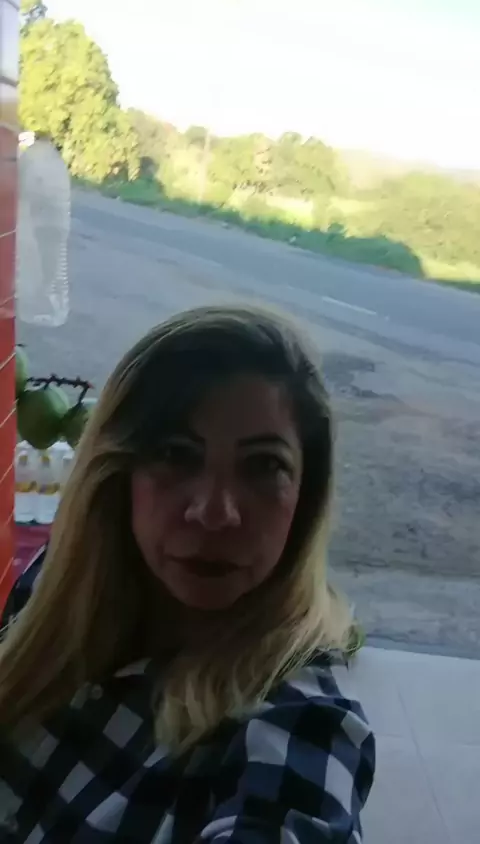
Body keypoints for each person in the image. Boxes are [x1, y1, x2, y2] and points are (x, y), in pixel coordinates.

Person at [0, 305, 375, 842]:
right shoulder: (57, 589)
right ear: (119, 472)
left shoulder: (300, 726)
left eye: (263, 466)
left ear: (305, 497)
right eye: (176, 454)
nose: (214, 512)